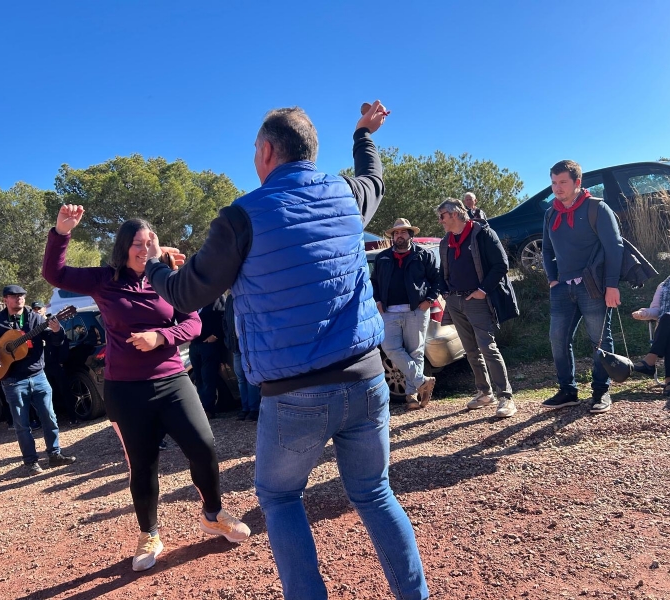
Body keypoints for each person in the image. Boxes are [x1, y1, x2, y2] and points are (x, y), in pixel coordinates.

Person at [145, 102, 429, 599]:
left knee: (279, 497)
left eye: (256, 149)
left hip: (294, 393)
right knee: (375, 494)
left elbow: (188, 292)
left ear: (269, 150)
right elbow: (373, 178)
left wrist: (154, 268)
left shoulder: (241, 217)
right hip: (365, 380)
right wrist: (364, 134)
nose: (255, 157)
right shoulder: (345, 195)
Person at [42, 214, 250, 574]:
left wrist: (162, 337)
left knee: (203, 447)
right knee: (142, 464)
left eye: (149, 241)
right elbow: (55, 274)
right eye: (137, 243)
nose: (143, 248)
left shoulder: (165, 277)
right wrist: (61, 233)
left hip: (173, 380)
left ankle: (213, 515)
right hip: (125, 389)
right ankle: (149, 533)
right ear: (123, 247)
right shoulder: (103, 279)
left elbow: (194, 322)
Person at [0, 285, 76, 474]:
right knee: (22, 424)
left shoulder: (36, 319)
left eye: (22, 296)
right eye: (15, 296)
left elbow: (54, 342)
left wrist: (57, 331)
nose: (19, 299)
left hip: (38, 376)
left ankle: (55, 454)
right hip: (13, 380)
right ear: (5, 300)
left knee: (49, 417)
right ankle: (31, 461)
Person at [541, 160, 623, 414]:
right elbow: (545, 249)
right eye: (554, 182)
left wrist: (612, 285)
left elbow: (614, 247)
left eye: (563, 182)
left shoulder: (596, 207)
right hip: (562, 287)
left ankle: (601, 391)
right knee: (558, 339)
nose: (557, 188)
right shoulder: (550, 212)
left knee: (599, 339)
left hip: (593, 286)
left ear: (577, 182)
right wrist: (553, 278)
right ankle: (568, 390)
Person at [436, 199, 518, 417]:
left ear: (454, 214)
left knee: (487, 348)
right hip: (455, 301)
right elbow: (442, 270)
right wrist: (445, 293)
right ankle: (484, 392)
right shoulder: (446, 241)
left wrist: (483, 290)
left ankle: (505, 398)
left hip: (478, 300)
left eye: (442, 216)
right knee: (470, 350)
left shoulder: (483, 234)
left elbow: (501, 265)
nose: (440, 221)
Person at [370, 217, 438, 411]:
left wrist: (429, 300)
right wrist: (377, 301)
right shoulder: (382, 258)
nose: (399, 235)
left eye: (403, 232)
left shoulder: (423, 255)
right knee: (390, 347)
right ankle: (422, 380)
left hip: (416, 310)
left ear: (410, 235)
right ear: (393, 236)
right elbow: (373, 282)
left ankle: (412, 396)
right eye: (396, 233)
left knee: (415, 351)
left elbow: (437, 279)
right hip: (389, 312)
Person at [630, 252, 670, 396]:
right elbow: (657, 309)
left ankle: (650, 360)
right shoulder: (665, 285)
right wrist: (643, 313)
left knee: (669, 317)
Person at [223, 292, 261, 421]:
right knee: (240, 378)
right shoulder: (229, 299)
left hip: (249, 345)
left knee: (251, 378)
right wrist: (228, 340)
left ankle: (254, 409)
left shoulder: (248, 295)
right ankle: (245, 408)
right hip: (236, 346)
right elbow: (225, 322)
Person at [189, 294, 226, 418]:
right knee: (198, 378)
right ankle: (202, 408)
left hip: (209, 345)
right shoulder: (192, 303)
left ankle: (209, 410)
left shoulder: (215, 297)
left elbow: (223, 317)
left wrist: (215, 336)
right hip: (194, 345)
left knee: (208, 377)